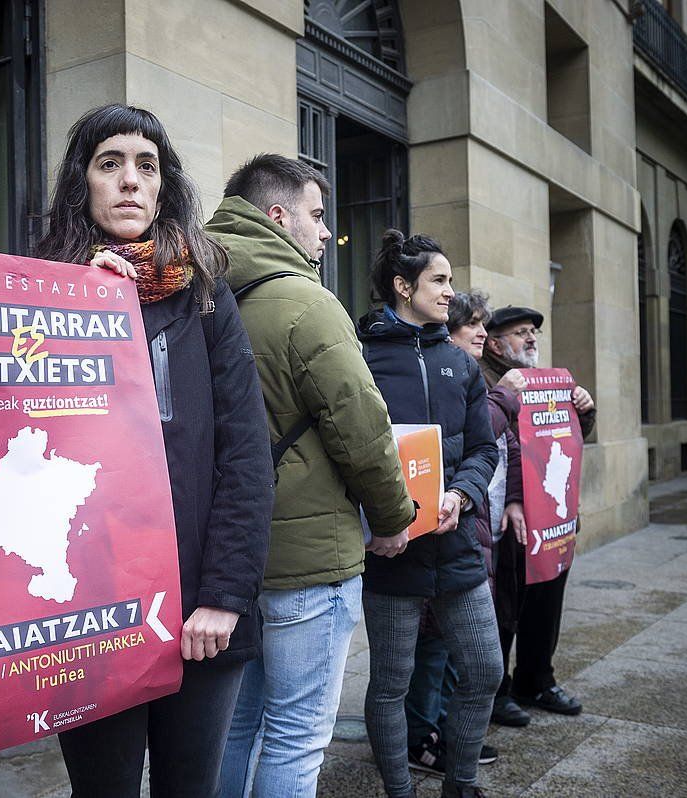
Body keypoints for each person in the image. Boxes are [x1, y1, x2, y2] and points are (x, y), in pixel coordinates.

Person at [33, 104, 274, 798]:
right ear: (84, 183)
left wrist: (225, 596)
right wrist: (84, 303)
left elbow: (246, 455)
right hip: (90, 613)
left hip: (200, 612)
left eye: (148, 165)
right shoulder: (40, 293)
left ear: (165, 184)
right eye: (110, 164)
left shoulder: (204, 293)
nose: (131, 181)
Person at [206, 154, 415, 797]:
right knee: (297, 738)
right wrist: (392, 518)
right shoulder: (306, 302)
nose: (328, 233)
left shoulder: (201, 290)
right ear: (277, 216)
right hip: (312, 560)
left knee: (237, 727)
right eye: (318, 215)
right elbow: (364, 430)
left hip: (231, 561)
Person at [358, 230, 501, 798]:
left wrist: (461, 496)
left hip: (455, 544)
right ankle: (400, 791)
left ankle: (459, 785)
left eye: (449, 280)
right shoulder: (361, 356)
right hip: (390, 551)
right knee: (391, 683)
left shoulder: (460, 365)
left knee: (484, 670)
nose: (450, 292)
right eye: (439, 280)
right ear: (403, 286)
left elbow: (484, 449)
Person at [400, 289, 523, 776]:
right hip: (442, 539)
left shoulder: (477, 376)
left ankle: (446, 734)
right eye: (472, 324)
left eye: (483, 325)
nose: (482, 333)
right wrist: (504, 398)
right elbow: (468, 435)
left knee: (457, 655)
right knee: (430, 653)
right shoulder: (449, 375)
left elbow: (500, 453)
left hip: (475, 534)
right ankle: (420, 738)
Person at [482, 305, 596, 718]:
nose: (530, 339)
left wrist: (583, 408)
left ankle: (537, 680)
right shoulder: (488, 379)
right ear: (494, 343)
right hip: (512, 516)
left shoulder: (548, 383)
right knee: (506, 609)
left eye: (533, 332)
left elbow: (568, 440)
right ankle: (497, 692)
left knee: (546, 601)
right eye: (519, 333)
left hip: (552, 515)